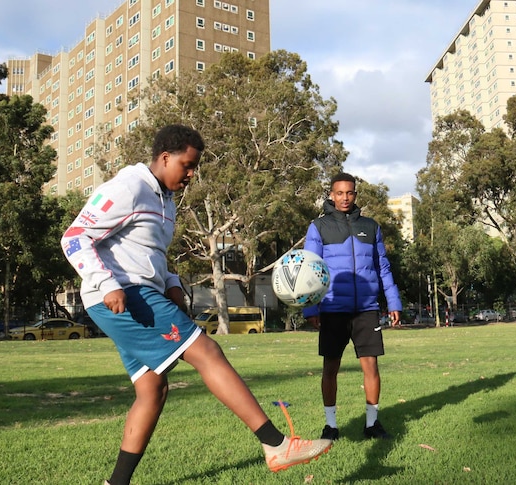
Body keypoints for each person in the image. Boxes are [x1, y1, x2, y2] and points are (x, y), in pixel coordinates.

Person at [61, 124, 332, 485]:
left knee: (152, 389)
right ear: (164, 157)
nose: (191, 175)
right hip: (124, 294)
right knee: (208, 352)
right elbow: (75, 236)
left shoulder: (166, 201)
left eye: (195, 168)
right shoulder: (129, 186)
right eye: (187, 166)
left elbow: (147, 253)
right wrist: (106, 282)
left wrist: (172, 283)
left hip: (144, 292)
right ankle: (276, 444)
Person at [302, 172, 403, 441]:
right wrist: (311, 309)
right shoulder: (319, 227)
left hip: (367, 309)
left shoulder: (371, 227)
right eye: (339, 193)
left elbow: (382, 267)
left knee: (371, 367)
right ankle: (330, 426)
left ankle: (372, 424)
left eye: (350, 193)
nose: (345, 198)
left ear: (355, 195)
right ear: (331, 195)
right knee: (330, 368)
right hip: (333, 308)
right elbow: (309, 270)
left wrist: (393, 301)